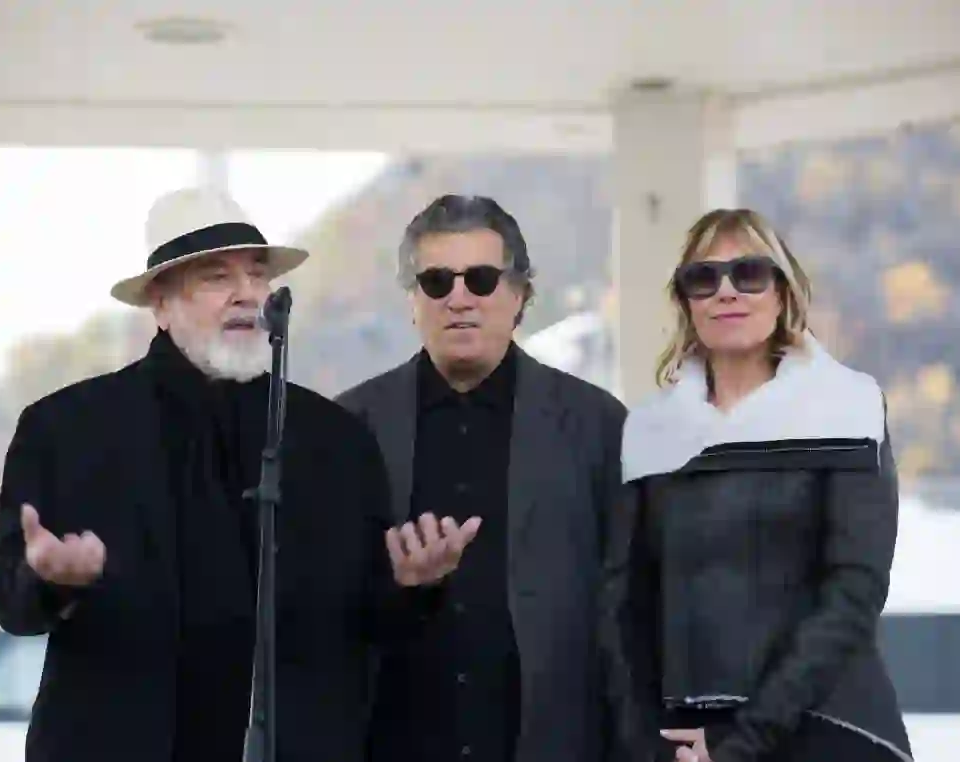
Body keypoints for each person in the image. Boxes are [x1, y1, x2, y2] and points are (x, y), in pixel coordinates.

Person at [0, 187, 479, 762]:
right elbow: (9, 602)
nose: (247, 294)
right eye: (217, 278)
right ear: (161, 305)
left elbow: (368, 623)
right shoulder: (67, 429)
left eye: (257, 275)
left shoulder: (333, 438)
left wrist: (413, 586)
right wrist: (50, 581)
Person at [599, 208, 912, 762]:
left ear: (782, 290)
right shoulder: (649, 432)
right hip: (683, 739)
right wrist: (644, 740)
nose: (726, 292)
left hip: (826, 728)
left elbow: (853, 592)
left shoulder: (847, 406)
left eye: (749, 273)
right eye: (704, 278)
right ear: (685, 301)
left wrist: (743, 743)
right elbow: (624, 608)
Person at [336, 194, 628, 762]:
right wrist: (397, 584)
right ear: (412, 301)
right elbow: (319, 611)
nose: (460, 299)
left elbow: (627, 611)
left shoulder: (597, 424)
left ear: (520, 296)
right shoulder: (349, 427)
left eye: (482, 279)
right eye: (437, 281)